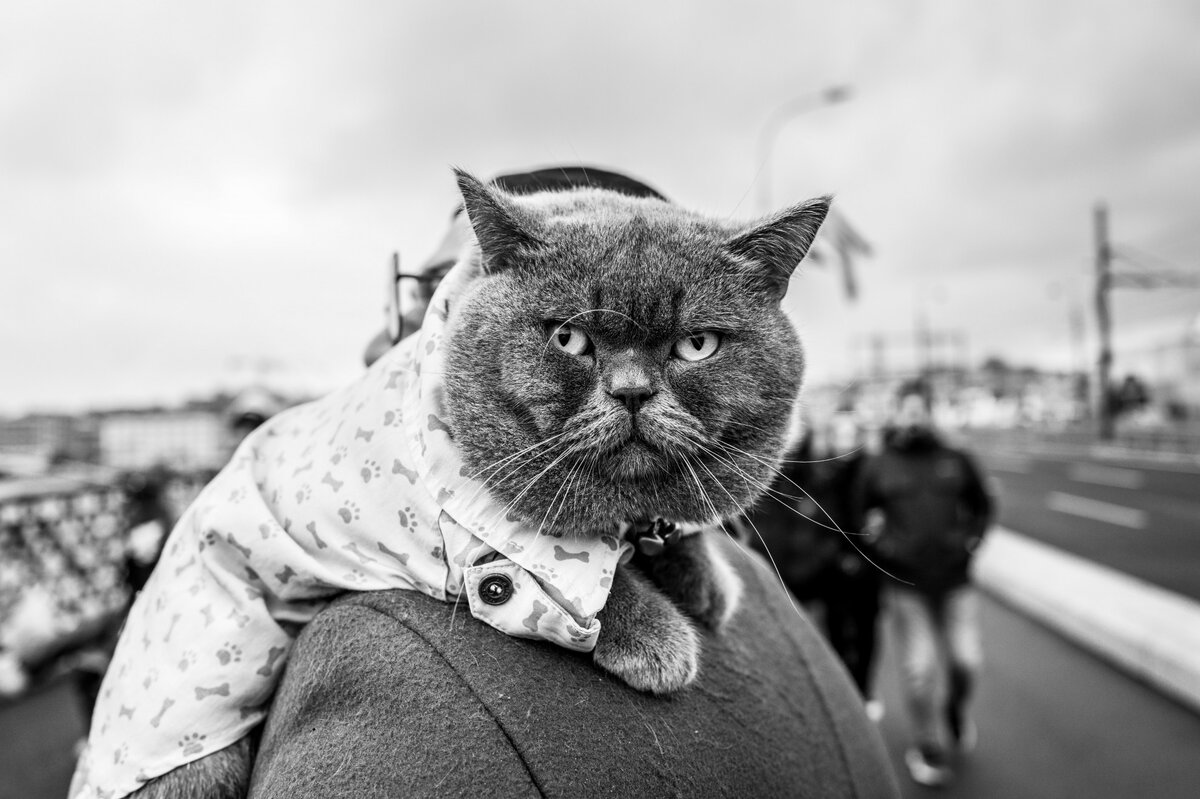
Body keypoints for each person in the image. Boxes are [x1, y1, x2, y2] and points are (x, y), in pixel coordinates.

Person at [855, 380, 994, 787]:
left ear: (931, 412)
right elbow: (860, 516)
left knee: (966, 661)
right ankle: (927, 744)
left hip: (956, 582)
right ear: (897, 412)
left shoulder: (956, 458)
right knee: (919, 668)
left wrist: (971, 541)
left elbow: (983, 505)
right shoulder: (880, 463)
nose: (914, 417)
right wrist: (884, 549)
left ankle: (955, 709)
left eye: (921, 409)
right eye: (907, 409)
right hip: (906, 585)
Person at [745, 411, 881, 704]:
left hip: (813, 587)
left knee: (817, 662)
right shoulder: (752, 476)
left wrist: (819, 563)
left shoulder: (820, 476)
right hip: (769, 587)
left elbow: (834, 527)